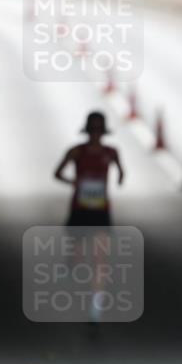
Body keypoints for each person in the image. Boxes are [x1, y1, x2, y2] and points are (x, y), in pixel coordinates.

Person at [54, 111, 124, 322]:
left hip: (101, 211)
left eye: (98, 130)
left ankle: (96, 308)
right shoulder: (76, 152)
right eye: (92, 129)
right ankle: (70, 264)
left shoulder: (111, 152)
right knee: (77, 256)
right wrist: (72, 183)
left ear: (103, 132)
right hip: (80, 209)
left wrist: (120, 176)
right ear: (87, 131)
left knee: (99, 260)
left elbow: (121, 171)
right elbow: (57, 173)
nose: (95, 134)